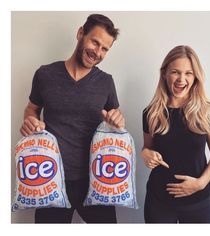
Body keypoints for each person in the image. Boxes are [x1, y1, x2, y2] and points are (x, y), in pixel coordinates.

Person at [20, 14, 125, 223]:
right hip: (50, 178)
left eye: (105, 49)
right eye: (95, 42)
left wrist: (118, 122)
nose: (98, 52)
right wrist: (30, 120)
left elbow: (117, 122)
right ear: (80, 34)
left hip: (96, 179)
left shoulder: (106, 82)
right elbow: (31, 109)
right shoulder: (45, 74)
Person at [141, 45, 210, 223]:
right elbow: (146, 148)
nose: (181, 79)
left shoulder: (207, 111)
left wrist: (200, 183)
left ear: (195, 77)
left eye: (188, 73)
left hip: (198, 202)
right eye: (175, 72)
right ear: (164, 74)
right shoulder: (151, 112)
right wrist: (146, 154)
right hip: (159, 202)